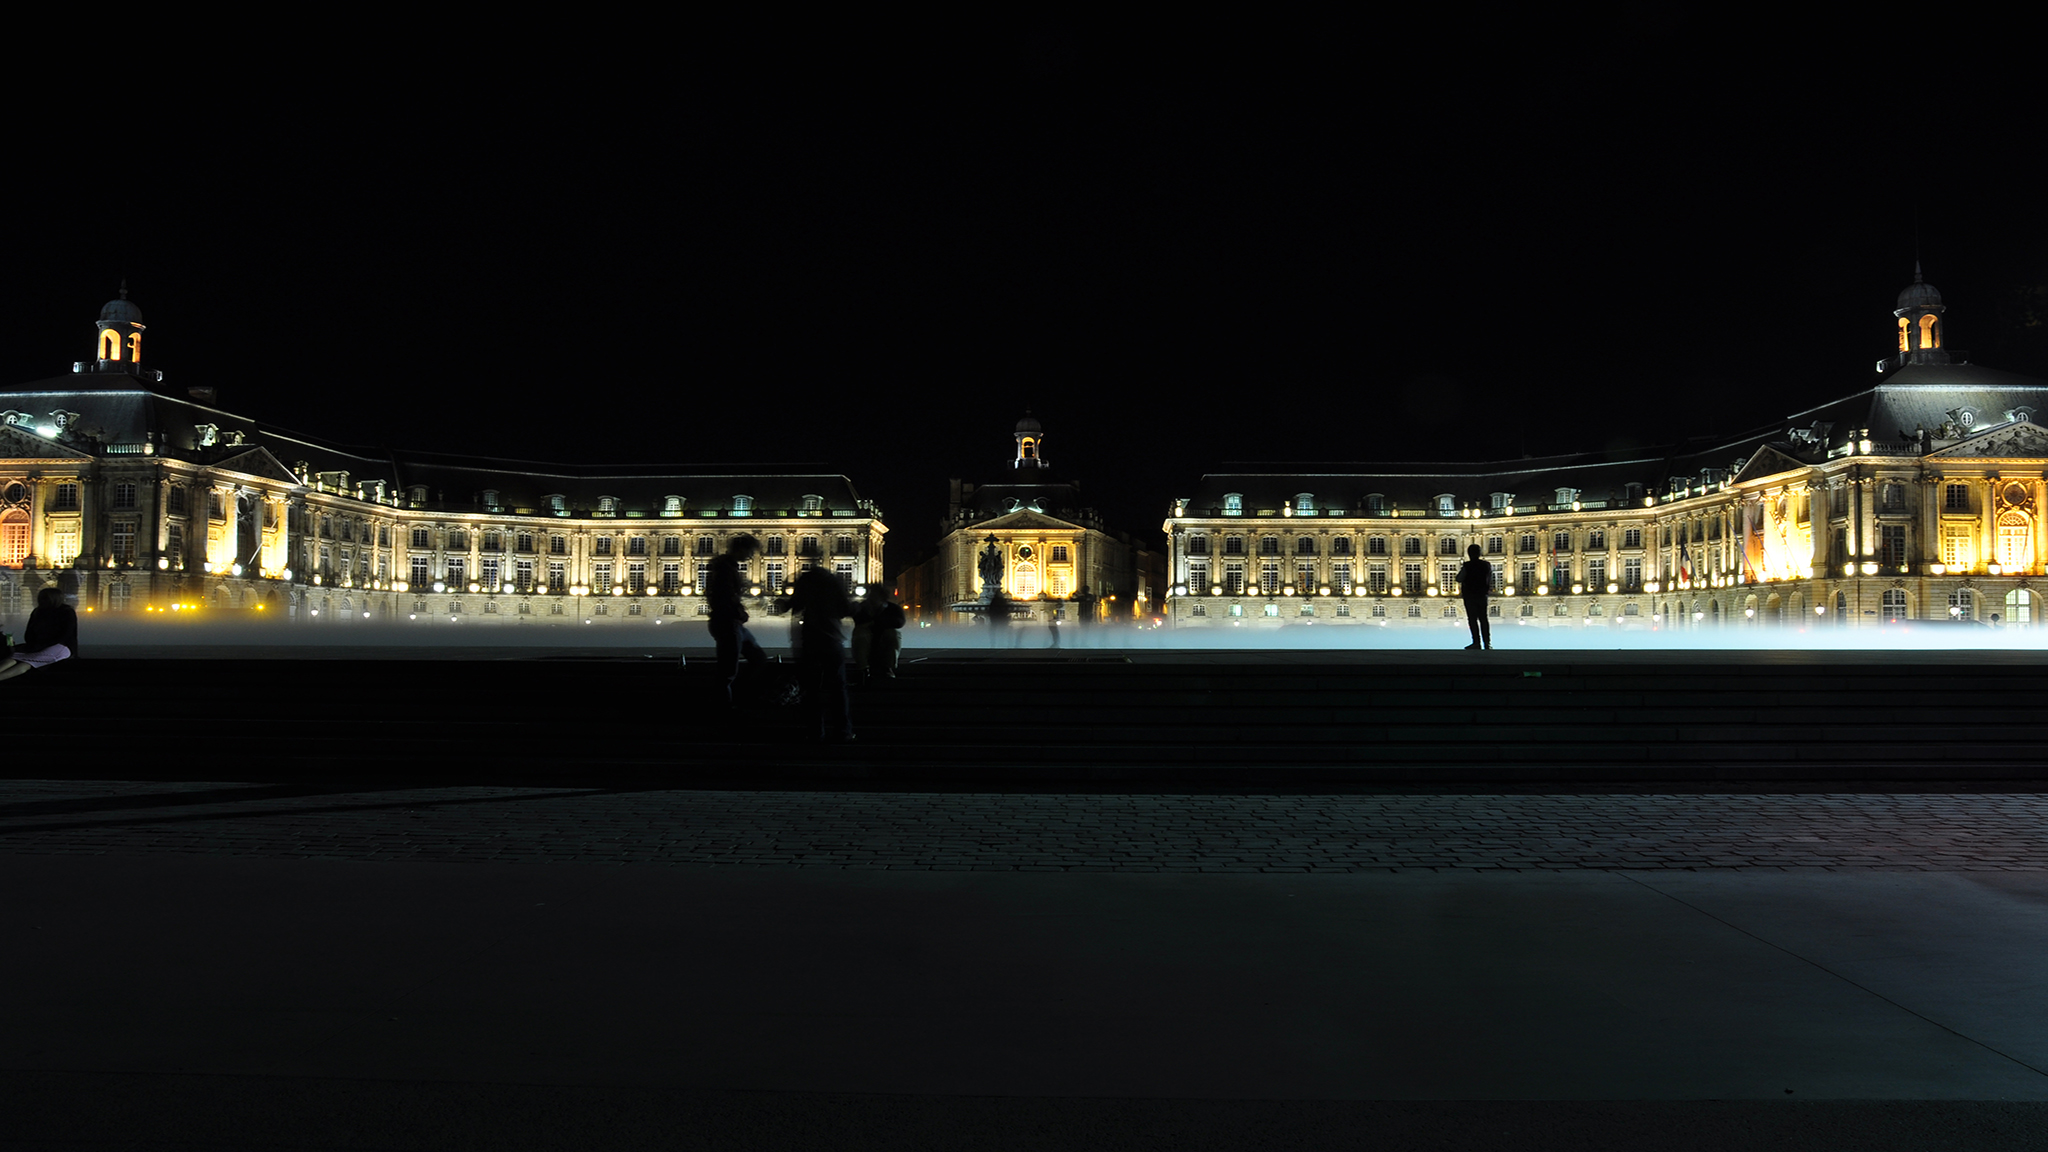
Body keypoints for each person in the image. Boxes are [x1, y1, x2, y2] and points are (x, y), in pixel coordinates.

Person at [785, 565, 855, 741]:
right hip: (832, 639)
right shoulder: (834, 584)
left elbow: (793, 605)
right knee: (838, 688)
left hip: (810, 641)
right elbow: (845, 610)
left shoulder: (806, 584)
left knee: (812, 689)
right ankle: (843, 731)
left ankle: (815, 731)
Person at [705, 535, 769, 709]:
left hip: (732, 623)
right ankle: (724, 706)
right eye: (749, 551)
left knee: (757, 659)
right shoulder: (724, 569)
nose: (750, 556)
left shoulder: (728, 567)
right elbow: (723, 597)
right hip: (728, 622)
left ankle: (737, 696)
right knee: (728, 671)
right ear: (740, 549)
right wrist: (739, 612)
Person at [0, 587, 79, 683]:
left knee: (26, 662)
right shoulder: (38, 611)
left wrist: (37, 645)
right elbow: (29, 634)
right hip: (40, 645)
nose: (41, 600)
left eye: (44, 598)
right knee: (14, 658)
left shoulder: (66, 611)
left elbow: (65, 635)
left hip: (60, 646)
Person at [1457, 544, 1494, 651]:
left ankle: (1476, 643)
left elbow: (1459, 579)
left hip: (1470, 595)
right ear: (1479, 553)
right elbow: (1489, 579)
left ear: (1469, 554)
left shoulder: (1467, 565)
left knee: (1472, 620)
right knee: (1483, 619)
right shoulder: (1486, 565)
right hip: (1482, 595)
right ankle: (1487, 644)